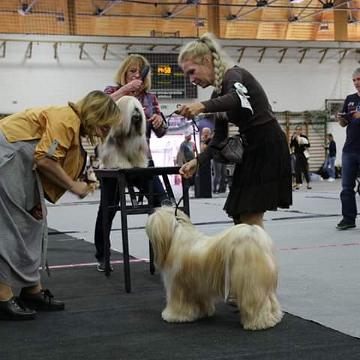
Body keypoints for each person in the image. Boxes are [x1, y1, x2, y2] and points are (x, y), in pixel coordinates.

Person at [0, 90, 121, 320]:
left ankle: (31, 290)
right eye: (105, 125)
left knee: (34, 220)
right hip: (7, 157)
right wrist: (74, 186)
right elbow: (45, 159)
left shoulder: (74, 126)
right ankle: (2, 296)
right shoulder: (66, 119)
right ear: (95, 114)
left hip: (20, 163)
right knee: (10, 224)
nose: (106, 131)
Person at [176, 32, 292, 228]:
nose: (191, 80)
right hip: (252, 150)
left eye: (192, 71)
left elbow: (237, 99)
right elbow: (219, 139)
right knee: (240, 217)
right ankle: (250, 258)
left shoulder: (234, 75)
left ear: (206, 60)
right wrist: (198, 161)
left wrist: (201, 106)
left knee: (250, 218)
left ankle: (257, 258)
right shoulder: (217, 94)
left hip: (268, 147)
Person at [94, 54, 168, 271]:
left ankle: (165, 253)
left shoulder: (151, 98)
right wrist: (125, 90)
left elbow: (162, 132)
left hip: (142, 161)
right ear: (124, 73)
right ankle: (103, 255)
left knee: (162, 204)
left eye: (140, 72)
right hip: (114, 163)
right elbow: (101, 111)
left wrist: (160, 121)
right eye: (132, 71)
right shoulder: (111, 92)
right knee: (108, 210)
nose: (137, 75)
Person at [336, 67, 360, 230]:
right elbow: (344, 123)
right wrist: (341, 119)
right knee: (346, 188)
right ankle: (348, 218)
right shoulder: (350, 99)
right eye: (354, 80)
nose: (356, 83)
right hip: (349, 149)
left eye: (359, 79)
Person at [290, 125, 312, 190]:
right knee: (297, 170)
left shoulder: (304, 137)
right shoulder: (294, 137)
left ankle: (308, 184)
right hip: (297, 154)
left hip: (303, 154)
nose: (298, 131)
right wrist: (293, 139)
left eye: (299, 129)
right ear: (295, 130)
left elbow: (308, 145)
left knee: (305, 169)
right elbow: (291, 145)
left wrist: (302, 142)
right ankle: (298, 184)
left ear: (301, 130)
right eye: (297, 129)